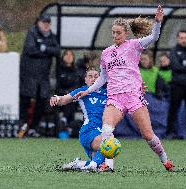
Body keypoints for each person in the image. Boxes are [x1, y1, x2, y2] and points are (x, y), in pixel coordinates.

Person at [74, 5, 174, 171]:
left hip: (134, 97)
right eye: (113, 32)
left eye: (118, 32)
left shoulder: (134, 45)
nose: (115, 35)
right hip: (115, 98)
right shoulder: (106, 53)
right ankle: (107, 165)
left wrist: (157, 22)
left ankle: (165, 160)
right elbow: (103, 78)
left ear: (126, 33)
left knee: (148, 135)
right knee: (106, 129)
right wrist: (89, 90)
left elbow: (154, 37)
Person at [50, 68, 113, 172]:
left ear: (102, 79)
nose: (93, 79)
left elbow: (125, 96)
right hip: (89, 131)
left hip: (101, 132)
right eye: (90, 76)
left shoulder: (108, 93)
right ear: (85, 80)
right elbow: (65, 99)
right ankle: (93, 164)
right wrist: (57, 98)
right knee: (110, 142)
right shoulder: (82, 91)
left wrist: (138, 90)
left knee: (104, 166)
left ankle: (78, 164)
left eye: (96, 76)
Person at [18, 14, 60, 138]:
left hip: (43, 76)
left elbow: (57, 51)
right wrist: (48, 51)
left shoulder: (52, 36)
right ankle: (22, 126)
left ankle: (34, 128)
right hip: (28, 75)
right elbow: (30, 50)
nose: (46, 25)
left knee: (42, 101)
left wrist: (42, 48)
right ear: (38, 23)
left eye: (48, 23)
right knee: (25, 100)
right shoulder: (32, 33)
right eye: (44, 22)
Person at [56, 50, 79, 128]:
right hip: (60, 94)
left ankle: (67, 122)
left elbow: (77, 85)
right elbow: (58, 85)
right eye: (66, 54)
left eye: (71, 55)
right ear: (63, 57)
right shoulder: (58, 69)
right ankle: (66, 122)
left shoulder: (76, 70)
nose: (69, 57)